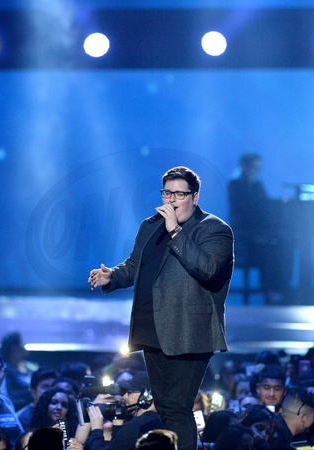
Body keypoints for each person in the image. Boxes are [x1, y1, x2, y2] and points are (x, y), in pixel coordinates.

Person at [89, 166, 234, 450]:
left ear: (195, 196)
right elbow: (135, 265)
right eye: (167, 193)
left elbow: (206, 268)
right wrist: (111, 276)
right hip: (152, 327)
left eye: (179, 194)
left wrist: (176, 232)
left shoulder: (215, 229)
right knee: (165, 405)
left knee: (178, 406)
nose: (172, 200)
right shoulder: (150, 225)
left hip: (189, 331)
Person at [227, 153, 292, 303]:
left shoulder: (257, 184)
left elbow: (266, 206)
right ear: (244, 166)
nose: (256, 171)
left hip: (257, 231)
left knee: (284, 244)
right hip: (243, 233)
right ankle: (269, 290)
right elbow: (245, 210)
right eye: (254, 167)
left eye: (258, 168)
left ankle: (281, 288)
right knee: (268, 249)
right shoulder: (235, 184)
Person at [82, 371, 164, 450]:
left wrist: (96, 430)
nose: (124, 397)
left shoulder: (137, 425)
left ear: (147, 396)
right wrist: (117, 428)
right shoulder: (159, 421)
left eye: (130, 392)